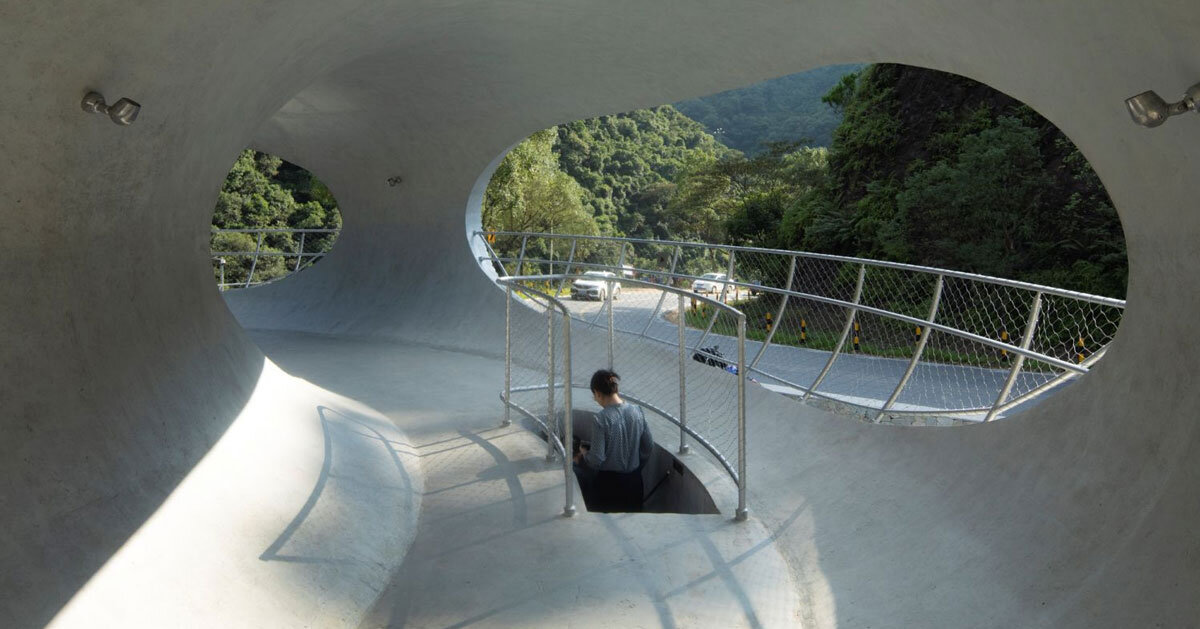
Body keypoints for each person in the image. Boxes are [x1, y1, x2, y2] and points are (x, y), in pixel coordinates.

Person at [573, 369, 654, 512]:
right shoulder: (637, 411)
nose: (596, 400)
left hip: (609, 486)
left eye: (595, 397)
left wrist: (584, 453)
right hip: (634, 483)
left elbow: (597, 459)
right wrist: (636, 466)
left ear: (598, 393)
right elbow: (648, 446)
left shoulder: (601, 419)